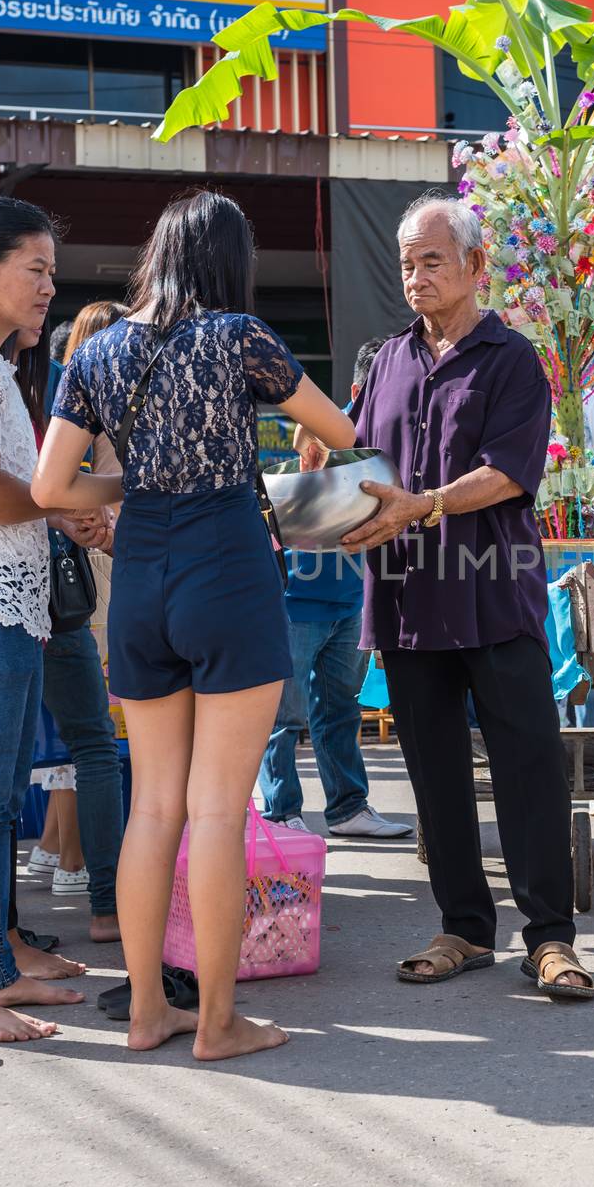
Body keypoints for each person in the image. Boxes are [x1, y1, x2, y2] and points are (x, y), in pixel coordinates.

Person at [34, 189, 358, 1059]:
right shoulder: (237, 338)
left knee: (155, 810)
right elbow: (338, 427)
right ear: (228, 262)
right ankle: (216, 1021)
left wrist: (131, 489)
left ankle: (147, 1013)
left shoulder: (96, 350)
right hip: (228, 568)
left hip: (141, 579)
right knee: (217, 811)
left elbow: (50, 489)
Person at [331, 192, 594, 997]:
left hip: (492, 595)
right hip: (408, 596)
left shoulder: (511, 359)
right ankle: (463, 928)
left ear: (477, 266)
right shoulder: (385, 361)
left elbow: (512, 472)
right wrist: (326, 482)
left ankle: (549, 937)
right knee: (434, 774)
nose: (416, 276)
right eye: (407, 262)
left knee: (528, 768)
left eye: (433, 260)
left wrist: (426, 504)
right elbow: (360, 455)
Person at [0, 198, 89, 1046]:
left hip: (14, 609)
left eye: (53, 270)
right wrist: (74, 500)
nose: (49, 285)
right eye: (35, 267)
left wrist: (56, 510)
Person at [258, 336, 409, 840]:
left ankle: (349, 808)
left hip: (351, 599)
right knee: (283, 714)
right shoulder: (329, 429)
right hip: (298, 598)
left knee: (340, 709)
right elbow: (304, 433)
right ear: (360, 387)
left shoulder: (393, 437)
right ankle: (282, 813)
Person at [34, 302, 129, 942]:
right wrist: (75, 513)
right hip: (56, 593)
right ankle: (104, 904)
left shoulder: (41, 379)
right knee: (95, 745)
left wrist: (72, 510)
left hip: (49, 589)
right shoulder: (66, 380)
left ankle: (8, 932)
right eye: (35, 270)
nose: (44, 287)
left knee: (30, 756)